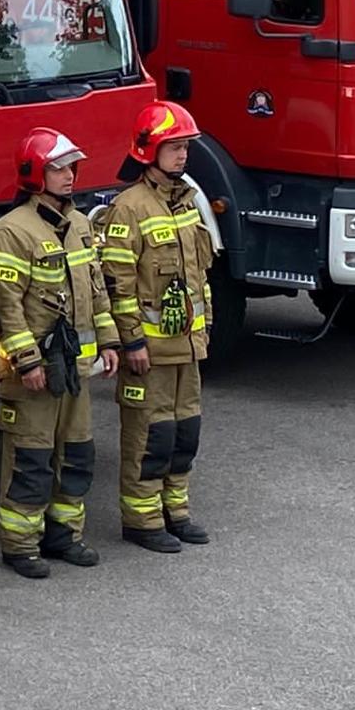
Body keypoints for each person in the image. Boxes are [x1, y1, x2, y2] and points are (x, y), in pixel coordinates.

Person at [0, 127, 120, 579]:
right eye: (58, 168)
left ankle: (65, 535)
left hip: (76, 369)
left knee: (77, 454)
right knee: (31, 459)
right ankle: (21, 545)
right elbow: (5, 305)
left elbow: (96, 290)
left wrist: (110, 342)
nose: (69, 176)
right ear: (35, 175)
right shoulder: (11, 231)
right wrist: (26, 362)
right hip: (37, 372)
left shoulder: (81, 225)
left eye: (71, 167)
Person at [100, 100, 214, 554]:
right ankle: (142, 520)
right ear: (149, 151)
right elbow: (118, 283)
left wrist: (204, 333)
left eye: (185, 147)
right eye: (173, 147)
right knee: (151, 435)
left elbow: (200, 276)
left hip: (188, 347)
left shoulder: (186, 201)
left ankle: (176, 512)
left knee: (185, 432)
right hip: (149, 350)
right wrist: (131, 341)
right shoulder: (129, 208)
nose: (183, 155)